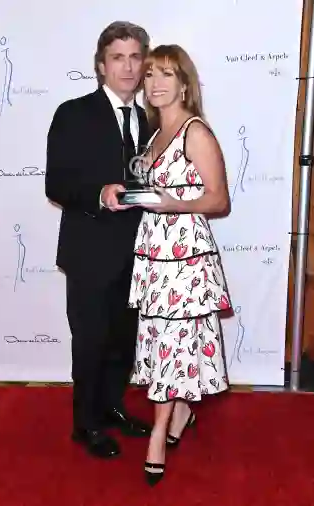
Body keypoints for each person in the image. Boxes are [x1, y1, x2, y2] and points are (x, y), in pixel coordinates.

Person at [45, 21, 152, 459]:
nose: (127, 67)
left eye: (134, 57)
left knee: (122, 341)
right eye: (117, 58)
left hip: (135, 253)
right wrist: (99, 195)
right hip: (90, 252)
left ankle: (111, 408)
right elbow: (57, 183)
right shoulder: (73, 113)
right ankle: (84, 425)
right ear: (101, 65)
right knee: (90, 340)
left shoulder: (146, 117)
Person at [128, 44, 231, 485]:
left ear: (184, 83)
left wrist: (172, 204)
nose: (155, 83)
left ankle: (157, 433)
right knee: (162, 339)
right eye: (149, 74)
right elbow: (149, 190)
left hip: (184, 255)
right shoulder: (153, 137)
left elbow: (219, 200)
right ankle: (182, 408)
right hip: (154, 252)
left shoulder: (196, 133)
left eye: (166, 74)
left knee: (172, 339)